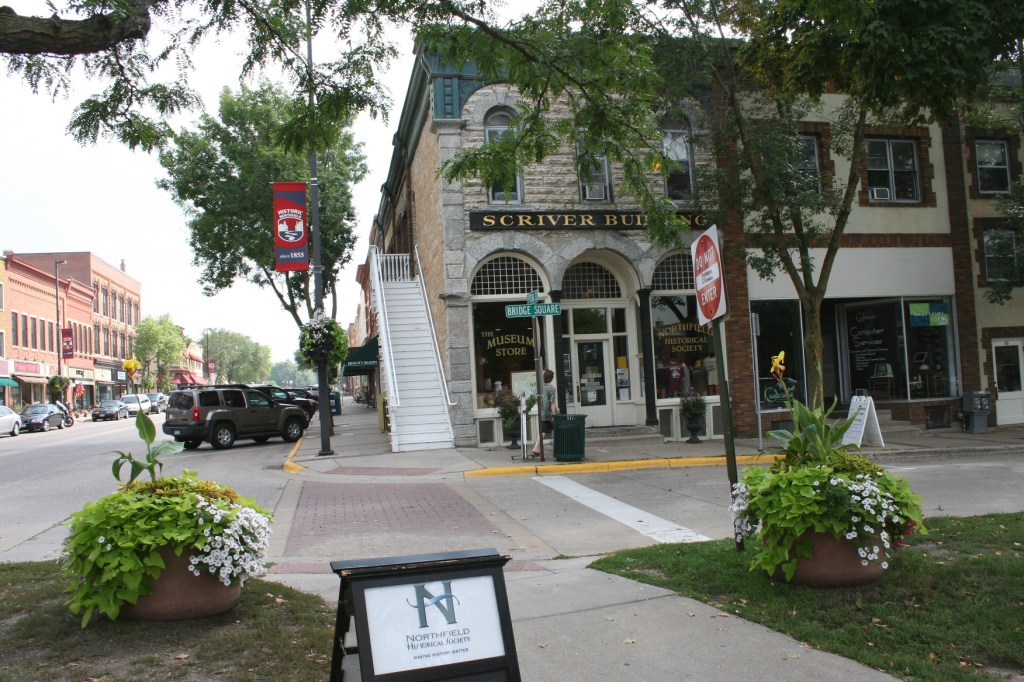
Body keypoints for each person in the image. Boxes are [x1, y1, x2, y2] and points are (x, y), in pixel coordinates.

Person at [532, 369, 558, 456]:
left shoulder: (539, 388)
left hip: (542, 412)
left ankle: (536, 448)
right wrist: (554, 415)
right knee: (560, 429)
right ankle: (561, 448)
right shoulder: (551, 389)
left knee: (544, 431)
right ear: (551, 378)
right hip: (549, 413)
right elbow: (552, 403)